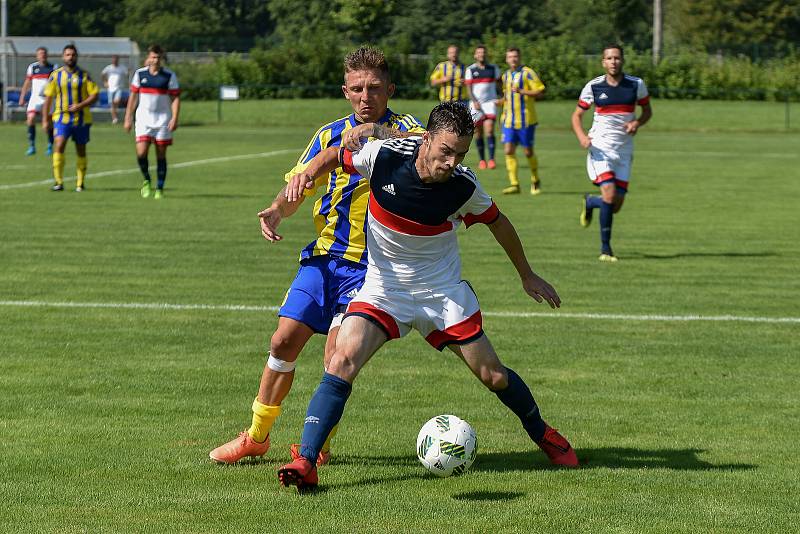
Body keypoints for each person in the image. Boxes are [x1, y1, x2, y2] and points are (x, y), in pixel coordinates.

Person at [277, 102, 578, 490]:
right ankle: (306, 460)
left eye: (461, 154)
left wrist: (527, 274)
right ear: (427, 140)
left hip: (440, 293)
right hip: (384, 290)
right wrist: (305, 174)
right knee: (341, 361)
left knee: (493, 374)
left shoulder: (464, 186)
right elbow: (335, 154)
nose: (452, 161)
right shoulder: (383, 157)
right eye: (446, 151)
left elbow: (499, 223)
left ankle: (543, 434)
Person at [209, 47, 424, 466]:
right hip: (326, 259)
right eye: (358, 89)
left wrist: (373, 135)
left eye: (375, 89)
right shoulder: (328, 134)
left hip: (374, 268)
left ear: (390, 90)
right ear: (345, 91)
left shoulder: (407, 128)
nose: (366, 97)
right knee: (282, 339)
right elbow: (299, 185)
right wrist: (276, 208)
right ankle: (256, 436)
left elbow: (425, 147)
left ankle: (318, 448)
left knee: (336, 353)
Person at [572, 44, 652, 262]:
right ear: (603, 62)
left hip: (624, 151)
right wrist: (582, 137)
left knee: (615, 205)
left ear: (622, 60)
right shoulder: (594, 86)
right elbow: (576, 116)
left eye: (617, 58)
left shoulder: (636, 85)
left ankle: (591, 202)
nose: (613, 61)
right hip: (600, 148)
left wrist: (637, 122)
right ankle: (605, 250)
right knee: (609, 194)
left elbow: (647, 111)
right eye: (609, 58)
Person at [124, 45, 180, 199]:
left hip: (163, 120)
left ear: (161, 59)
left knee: (161, 155)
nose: (155, 60)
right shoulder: (139, 74)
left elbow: (175, 98)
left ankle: (160, 188)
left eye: (158, 57)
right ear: (148, 58)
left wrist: (175, 117)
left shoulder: (169, 76)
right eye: (153, 57)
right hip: (143, 119)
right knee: (141, 152)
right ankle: (147, 180)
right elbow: (133, 97)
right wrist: (128, 117)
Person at [42, 45, 99, 192]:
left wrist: (80, 105)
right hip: (61, 118)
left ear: (76, 57)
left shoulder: (85, 75)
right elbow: (48, 98)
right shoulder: (56, 75)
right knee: (59, 145)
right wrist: (45, 119)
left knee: (81, 150)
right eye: (67, 55)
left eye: (73, 55)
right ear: (63, 57)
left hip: (81, 119)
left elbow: (95, 95)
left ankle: (80, 183)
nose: (70, 57)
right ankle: (58, 182)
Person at [498, 48, 545, 195]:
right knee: (508, 150)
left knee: (528, 151)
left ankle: (535, 180)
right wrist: (500, 104)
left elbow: (540, 91)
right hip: (509, 121)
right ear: (506, 59)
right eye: (510, 57)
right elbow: (507, 97)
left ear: (520, 57)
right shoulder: (505, 76)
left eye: (515, 56)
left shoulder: (528, 73)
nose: (513, 59)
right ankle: (514, 184)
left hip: (526, 120)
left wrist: (522, 91)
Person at [465, 45, 501, 170]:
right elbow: (469, 88)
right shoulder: (471, 69)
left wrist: (501, 97)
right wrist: (474, 101)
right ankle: (482, 160)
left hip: (490, 103)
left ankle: (491, 159)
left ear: (487, 54)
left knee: (489, 130)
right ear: (475, 55)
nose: (481, 55)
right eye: (479, 53)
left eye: (483, 52)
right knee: (478, 133)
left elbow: (499, 84)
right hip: (476, 105)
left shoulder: (493, 68)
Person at [19, 47, 56, 156]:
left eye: (44, 53)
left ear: (47, 55)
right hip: (35, 98)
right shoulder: (33, 67)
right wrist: (22, 96)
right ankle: (32, 146)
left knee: (48, 124)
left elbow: (56, 83)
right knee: (30, 119)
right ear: (37, 56)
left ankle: (50, 145)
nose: (42, 55)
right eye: (40, 54)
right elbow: (27, 82)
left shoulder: (53, 67)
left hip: (48, 99)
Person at [102, 55, 129, 125]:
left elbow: (127, 74)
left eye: (116, 59)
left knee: (116, 101)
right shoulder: (109, 68)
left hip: (119, 88)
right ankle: (115, 118)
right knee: (112, 104)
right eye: (113, 59)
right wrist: (105, 82)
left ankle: (115, 115)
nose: (115, 61)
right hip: (110, 88)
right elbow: (102, 74)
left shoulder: (122, 67)